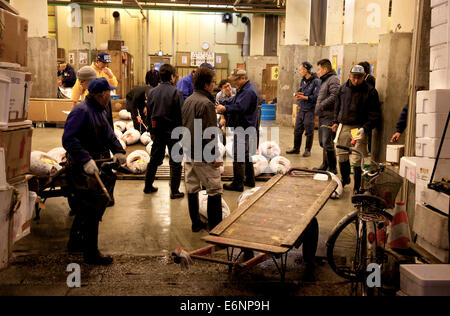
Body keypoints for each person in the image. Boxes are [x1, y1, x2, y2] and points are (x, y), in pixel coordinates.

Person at [63, 78, 127, 265]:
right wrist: (84, 159)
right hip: (82, 167)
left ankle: (75, 242)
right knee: (90, 208)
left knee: (89, 207)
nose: (111, 95)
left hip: (97, 163)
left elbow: (109, 135)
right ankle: (91, 254)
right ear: (101, 94)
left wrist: (119, 151)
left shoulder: (99, 110)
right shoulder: (81, 111)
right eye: (109, 92)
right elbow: (68, 139)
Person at [182, 66, 224, 232]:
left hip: (189, 151)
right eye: (213, 82)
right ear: (207, 85)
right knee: (214, 189)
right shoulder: (206, 103)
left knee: (192, 187)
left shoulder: (188, 100)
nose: (214, 85)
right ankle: (216, 229)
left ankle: (195, 224)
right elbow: (210, 133)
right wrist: (213, 155)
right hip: (203, 154)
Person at [332, 65, 381, 193]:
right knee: (341, 155)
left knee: (357, 157)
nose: (356, 80)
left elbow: (374, 114)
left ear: (364, 76)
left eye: (359, 78)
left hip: (359, 128)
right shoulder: (342, 88)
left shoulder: (370, 91)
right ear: (349, 75)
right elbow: (337, 106)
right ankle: (345, 178)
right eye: (354, 77)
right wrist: (335, 122)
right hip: (344, 126)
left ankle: (357, 186)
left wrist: (365, 128)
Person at [144, 64, 185, 199]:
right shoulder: (176, 92)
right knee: (176, 162)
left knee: (154, 159)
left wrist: (151, 130)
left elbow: (149, 113)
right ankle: (174, 191)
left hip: (158, 131)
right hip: (174, 131)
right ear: (172, 77)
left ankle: (148, 186)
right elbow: (181, 114)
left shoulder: (152, 92)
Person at [216, 70, 258, 192]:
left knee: (239, 154)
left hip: (244, 127)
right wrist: (225, 103)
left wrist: (224, 108)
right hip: (245, 126)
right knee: (245, 154)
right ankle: (250, 180)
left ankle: (238, 184)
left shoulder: (248, 92)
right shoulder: (243, 90)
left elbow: (240, 107)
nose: (233, 84)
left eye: (235, 81)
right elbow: (235, 101)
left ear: (242, 78)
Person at [286, 61, 321, 157]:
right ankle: (296, 148)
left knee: (309, 130)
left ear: (306, 70)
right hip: (302, 108)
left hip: (310, 109)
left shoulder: (316, 81)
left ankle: (307, 150)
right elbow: (299, 90)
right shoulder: (303, 80)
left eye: (301, 69)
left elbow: (317, 96)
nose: (300, 71)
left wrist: (304, 97)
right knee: (297, 129)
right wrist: (297, 94)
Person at [314, 59, 340, 174]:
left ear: (325, 69)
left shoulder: (333, 79)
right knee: (322, 142)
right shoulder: (325, 80)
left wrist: (321, 105)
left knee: (327, 142)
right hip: (323, 115)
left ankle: (333, 168)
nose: (318, 72)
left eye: (319, 69)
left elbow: (335, 95)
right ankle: (325, 164)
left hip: (329, 116)